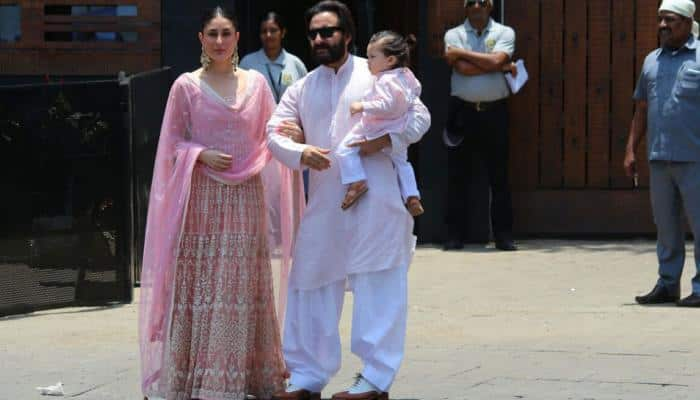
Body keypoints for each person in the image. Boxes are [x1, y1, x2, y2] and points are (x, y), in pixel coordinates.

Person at [266, 2, 431, 399]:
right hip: (325, 201)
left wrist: (385, 141)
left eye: (329, 31)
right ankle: (306, 376)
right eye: (314, 34)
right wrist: (299, 151)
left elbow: (420, 118)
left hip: (377, 199)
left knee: (379, 285)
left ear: (348, 34)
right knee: (310, 282)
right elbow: (275, 131)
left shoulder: (378, 73)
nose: (321, 39)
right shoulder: (303, 86)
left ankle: (374, 380)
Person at [138, 6, 301, 399]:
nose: (219, 42)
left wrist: (293, 129)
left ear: (237, 37)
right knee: (206, 284)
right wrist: (200, 154)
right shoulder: (185, 86)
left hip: (246, 197)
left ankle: (251, 375)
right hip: (204, 199)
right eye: (212, 34)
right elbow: (170, 144)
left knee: (243, 284)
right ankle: (203, 378)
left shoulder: (258, 84)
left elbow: (272, 129)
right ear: (200, 39)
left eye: (226, 33)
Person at [626, 0, 700, 308]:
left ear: (685, 22)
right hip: (659, 159)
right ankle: (668, 284)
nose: (662, 26)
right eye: (660, 20)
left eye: (669, 20)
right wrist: (630, 149)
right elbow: (641, 109)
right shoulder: (651, 61)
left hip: (695, 158)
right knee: (666, 227)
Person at [442, 0, 517, 251]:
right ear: (465, 8)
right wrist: (495, 64)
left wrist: (463, 54)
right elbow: (462, 69)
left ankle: (504, 237)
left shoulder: (504, 33)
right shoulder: (453, 34)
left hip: (495, 112)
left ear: (491, 6)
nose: (477, 6)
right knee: (457, 176)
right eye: (471, 2)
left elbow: (496, 62)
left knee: (500, 177)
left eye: (482, 2)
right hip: (462, 111)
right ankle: (454, 236)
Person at [335, 30, 424, 216]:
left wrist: (362, 105)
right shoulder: (406, 75)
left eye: (372, 57)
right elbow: (416, 90)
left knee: (344, 149)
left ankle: (356, 180)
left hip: (377, 126)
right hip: (399, 126)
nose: (368, 61)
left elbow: (386, 105)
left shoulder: (385, 80)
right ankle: (412, 196)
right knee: (403, 163)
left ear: (390, 60)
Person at [240, 11, 308, 103]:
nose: (268, 35)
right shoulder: (247, 63)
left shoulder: (296, 64)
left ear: (283, 33)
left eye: (273, 30)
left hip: (289, 117)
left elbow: (306, 98)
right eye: (264, 31)